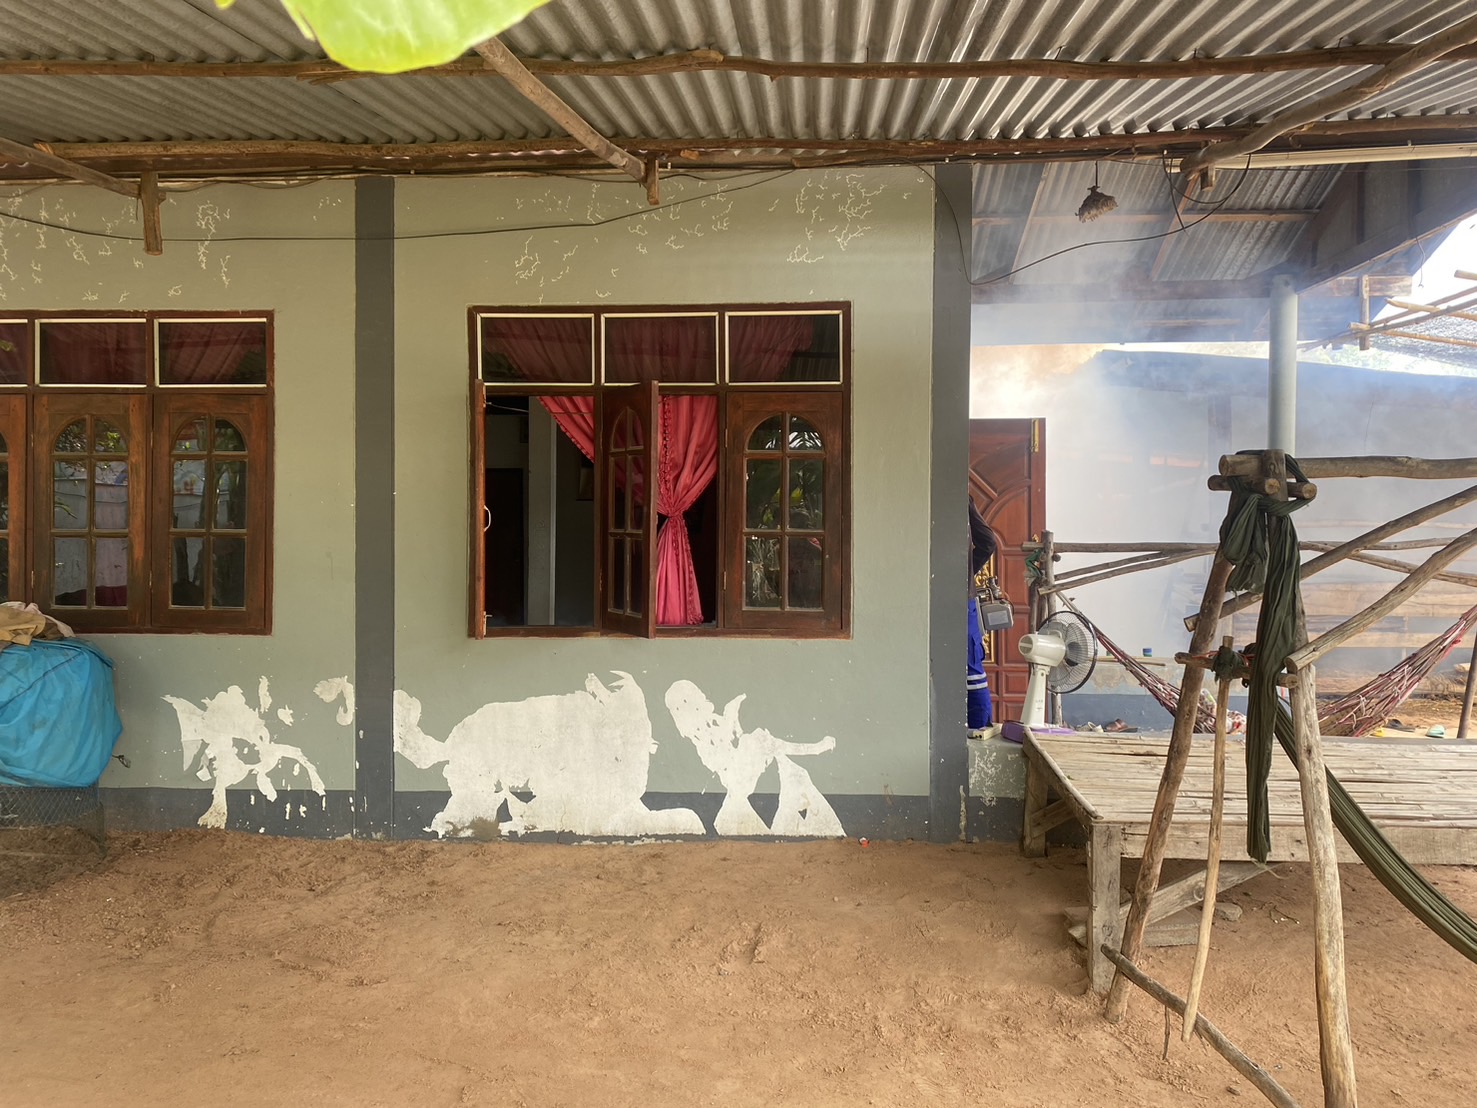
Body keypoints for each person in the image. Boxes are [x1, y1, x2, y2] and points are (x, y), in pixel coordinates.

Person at [967, 499, 997, 732]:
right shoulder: (961, 499)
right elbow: (987, 543)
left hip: (933, 600)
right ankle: (980, 731)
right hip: (961, 599)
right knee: (972, 670)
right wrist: (966, 572)